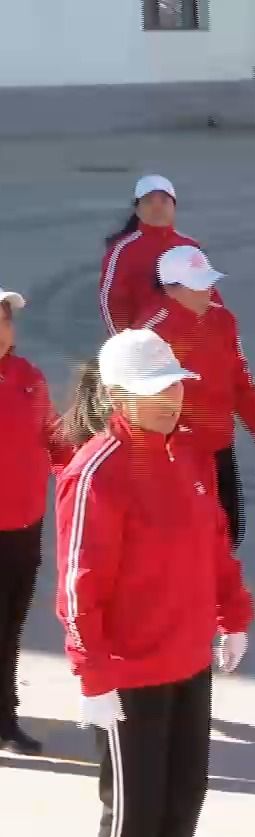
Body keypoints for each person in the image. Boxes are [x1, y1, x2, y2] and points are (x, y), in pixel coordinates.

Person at [54, 328, 254, 837]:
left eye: (172, 385)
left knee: (183, 793)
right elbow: (79, 586)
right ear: (116, 397)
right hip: (129, 672)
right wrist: (93, 674)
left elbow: (215, 544)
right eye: (152, 390)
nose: (168, 399)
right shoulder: (97, 471)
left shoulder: (190, 456)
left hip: (187, 658)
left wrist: (233, 616)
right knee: (134, 804)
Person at [136, 245, 255, 549]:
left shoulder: (223, 321)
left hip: (219, 445)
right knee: (190, 543)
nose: (209, 290)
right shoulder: (150, 334)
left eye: (208, 281)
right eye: (199, 284)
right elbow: (132, 403)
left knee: (230, 533)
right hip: (178, 455)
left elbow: (241, 380)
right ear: (170, 288)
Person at [0, 286, 71, 755]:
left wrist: (83, 477)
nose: (4, 326)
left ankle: (5, 717)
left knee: (9, 628)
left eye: (7, 319)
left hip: (25, 524)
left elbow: (54, 440)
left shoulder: (29, 376)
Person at [100, 175, 219, 335]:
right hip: (146, 345)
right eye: (149, 201)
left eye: (164, 200)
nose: (157, 207)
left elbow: (208, 295)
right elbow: (112, 300)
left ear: (174, 206)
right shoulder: (123, 250)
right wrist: (123, 343)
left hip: (188, 344)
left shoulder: (189, 246)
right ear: (137, 209)